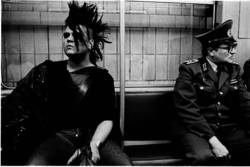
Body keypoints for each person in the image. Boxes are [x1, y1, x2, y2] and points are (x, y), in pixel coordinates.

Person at [1, 1, 132, 165]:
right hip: (59, 137)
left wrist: (94, 144)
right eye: (66, 35)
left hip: (94, 135)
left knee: (125, 165)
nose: (69, 39)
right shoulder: (49, 71)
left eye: (76, 35)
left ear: (91, 43)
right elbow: (20, 103)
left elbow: (107, 118)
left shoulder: (103, 78)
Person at [173, 19, 250, 165]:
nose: (234, 51)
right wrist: (214, 142)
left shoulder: (233, 69)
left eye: (234, 46)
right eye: (228, 47)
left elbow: (245, 102)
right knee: (204, 158)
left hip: (226, 128)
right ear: (211, 51)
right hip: (196, 130)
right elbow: (188, 110)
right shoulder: (190, 69)